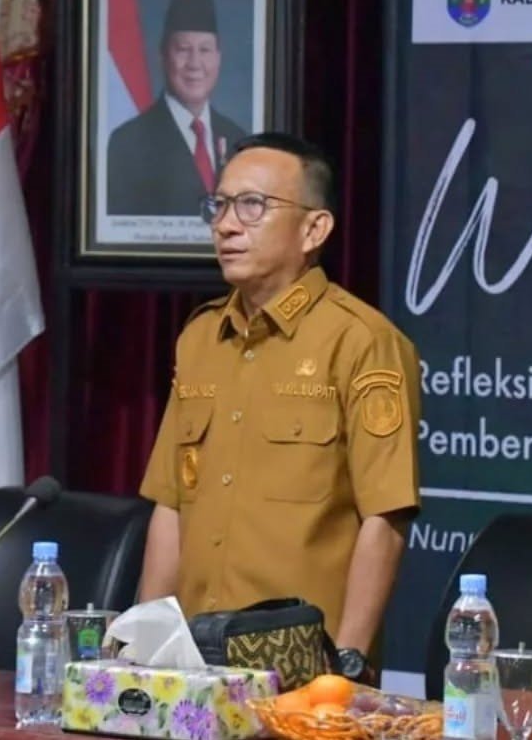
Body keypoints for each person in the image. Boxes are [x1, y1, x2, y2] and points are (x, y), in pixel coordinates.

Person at [136, 133, 420, 683]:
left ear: (314, 229)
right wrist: (144, 651)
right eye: (219, 205)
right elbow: (171, 505)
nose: (226, 225)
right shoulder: (199, 338)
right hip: (190, 666)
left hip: (301, 671)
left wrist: (348, 665)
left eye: (252, 205)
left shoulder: (361, 341)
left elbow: (385, 519)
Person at [105, 0, 247, 216]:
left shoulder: (238, 140)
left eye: (205, 50)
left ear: (218, 58)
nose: (195, 64)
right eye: (183, 49)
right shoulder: (128, 143)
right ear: (163, 55)